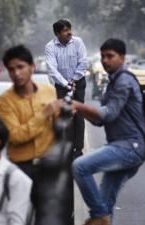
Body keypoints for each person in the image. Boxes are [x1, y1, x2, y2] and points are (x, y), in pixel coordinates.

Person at [71, 39, 145, 225]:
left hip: (130, 146)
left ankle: (98, 216)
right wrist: (78, 110)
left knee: (80, 166)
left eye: (110, 56)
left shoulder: (124, 81)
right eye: (103, 56)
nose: (105, 61)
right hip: (125, 146)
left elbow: (108, 114)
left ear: (122, 57)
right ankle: (102, 215)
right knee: (105, 205)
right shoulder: (113, 81)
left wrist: (78, 105)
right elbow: (99, 121)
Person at [0, 45, 61, 222]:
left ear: (32, 67)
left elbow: (59, 126)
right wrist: (44, 114)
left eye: (20, 67)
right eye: (11, 69)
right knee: (18, 219)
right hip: (20, 168)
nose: (16, 73)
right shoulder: (5, 101)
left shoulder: (49, 91)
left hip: (49, 166)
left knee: (48, 219)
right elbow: (16, 136)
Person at [45, 19, 88, 158]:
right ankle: (66, 146)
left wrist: (74, 80)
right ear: (57, 33)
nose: (69, 33)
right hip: (62, 86)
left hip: (78, 82)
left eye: (69, 29)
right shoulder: (50, 47)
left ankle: (78, 148)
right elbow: (52, 69)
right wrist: (66, 84)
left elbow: (83, 62)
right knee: (65, 115)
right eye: (65, 30)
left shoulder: (78, 42)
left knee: (79, 114)